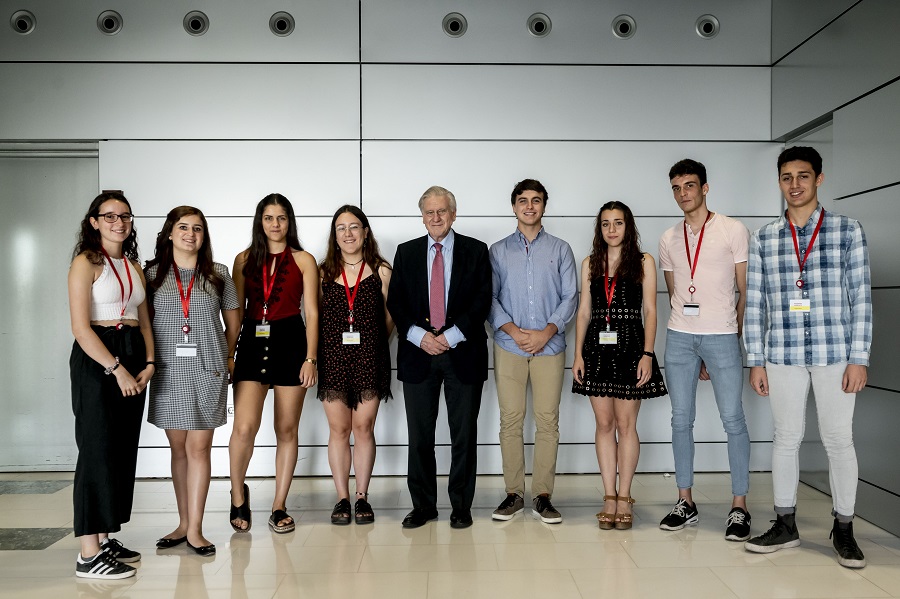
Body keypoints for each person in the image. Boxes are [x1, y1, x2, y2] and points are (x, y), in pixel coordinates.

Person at [743, 146, 872, 569]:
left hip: (836, 352)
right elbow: (755, 303)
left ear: (819, 178)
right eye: (786, 177)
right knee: (786, 438)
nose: (794, 185)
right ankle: (785, 524)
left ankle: (845, 529)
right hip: (782, 353)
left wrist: (860, 357)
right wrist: (755, 359)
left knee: (839, 440)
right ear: (779, 182)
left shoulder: (847, 231)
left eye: (802, 176)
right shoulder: (765, 237)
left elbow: (861, 301)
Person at [657, 159, 753, 541]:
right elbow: (677, 291)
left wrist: (731, 337)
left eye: (690, 186)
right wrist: (695, 345)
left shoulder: (733, 229)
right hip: (680, 336)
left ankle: (739, 506)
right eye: (677, 188)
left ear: (705, 188)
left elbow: (744, 290)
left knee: (733, 419)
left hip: (722, 336)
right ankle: (686, 501)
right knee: (681, 420)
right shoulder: (668, 238)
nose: (684, 194)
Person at [387, 185, 492, 529]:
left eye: (442, 211)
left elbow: (482, 299)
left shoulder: (476, 251)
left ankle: (461, 506)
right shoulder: (406, 252)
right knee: (420, 437)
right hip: (419, 354)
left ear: (453, 213)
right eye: (429, 212)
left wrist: (449, 336)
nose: (435, 218)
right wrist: (420, 337)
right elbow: (397, 303)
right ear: (422, 216)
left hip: (463, 351)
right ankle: (423, 506)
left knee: (463, 435)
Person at [68, 191, 155, 579]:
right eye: (109, 216)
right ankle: (88, 554)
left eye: (124, 216)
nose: (118, 222)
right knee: (96, 447)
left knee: (120, 450)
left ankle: (103, 539)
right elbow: (81, 328)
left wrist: (149, 362)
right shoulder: (85, 263)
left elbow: (145, 319)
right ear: (94, 222)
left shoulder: (133, 266)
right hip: (99, 357)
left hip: (133, 351)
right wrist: (115, 368)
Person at [145, 206, 240, 555]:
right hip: (169, 370)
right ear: (170, 232)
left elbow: (233, 322)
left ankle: (196, 529)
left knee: (198, 448)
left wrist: (227, 356)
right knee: (178, 449)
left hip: (207, 368)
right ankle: (182, 523)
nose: (190, 234)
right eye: (183, 227)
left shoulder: (218, 274)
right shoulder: (152, 275)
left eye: (197, 228)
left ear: (204, 235)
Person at [228, 193, 319, 534]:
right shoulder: (243, 259)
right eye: (269, 218)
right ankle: (239, 495)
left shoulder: (304, 259)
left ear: (289, 222)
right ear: (260, 221)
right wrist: (229, 354)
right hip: (252, 342)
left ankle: (279, 504)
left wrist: (311, 357)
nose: (276, 224)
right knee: (244, 428)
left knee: (286, 430)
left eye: (281, 218)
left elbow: (311, 311)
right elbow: (235, 313)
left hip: (291, 342)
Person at [573, 201, 667, 530]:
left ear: (629, 226)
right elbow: (584, 312)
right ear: (599, 229)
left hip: (631, 346)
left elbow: (652, 312)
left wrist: (648, 354)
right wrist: (577, 355)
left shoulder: (644, 261)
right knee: (603, 425)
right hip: (595, 347)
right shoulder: (589, 263)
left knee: (626, 425)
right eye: (605, 224)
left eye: (618, 223)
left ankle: (625, 497)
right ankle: (608, 496)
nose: (612, 230)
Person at [488, 179, 577, 524]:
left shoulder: (560, 249)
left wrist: (546, 332)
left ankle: (542, 495)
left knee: (547, 422)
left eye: (536, 200)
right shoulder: (497, 251)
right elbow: (490, 299)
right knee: (510, 421)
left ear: (544, 205)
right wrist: (513, 330)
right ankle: (513, 494)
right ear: (513, 206)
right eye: (523, 201)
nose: (529, 206)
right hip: (509, 346)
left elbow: (571, 297)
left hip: (550, 346)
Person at [317, 205, 394, 525]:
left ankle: (361, 496)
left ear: (365, 232)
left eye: (354, 227)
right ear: (335, 236)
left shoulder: (381, 271)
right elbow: (315, 317)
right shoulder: (323, 273)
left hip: (369, 359)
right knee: (339, 429)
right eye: (341, 228)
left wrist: (373, 343)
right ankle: (342, 499)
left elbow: (391, 319)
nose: (348, 233)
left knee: (363, 428)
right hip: (333, 359)